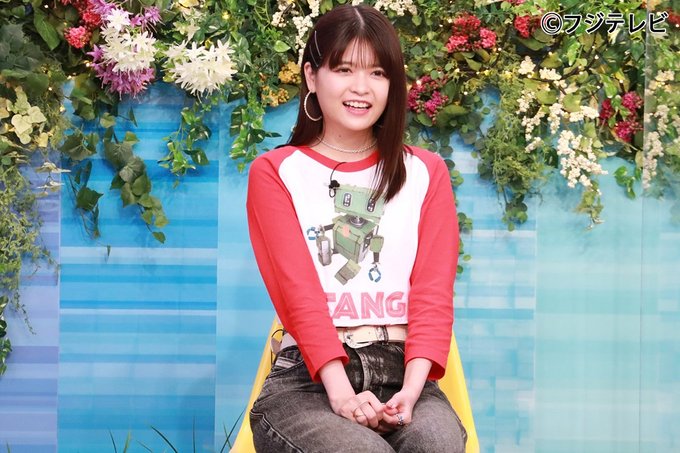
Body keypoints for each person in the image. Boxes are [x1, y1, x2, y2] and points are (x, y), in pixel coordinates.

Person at [246, 4, 465, 452]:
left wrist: (411, 391)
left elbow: (432, 294)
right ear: (312, 76)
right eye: (344, 69)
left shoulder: (425, 172)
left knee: (436, 443)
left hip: (405, 374)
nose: (361, 88)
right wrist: (341, 392)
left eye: (377, 73)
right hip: (307, 381)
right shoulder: (276, 172)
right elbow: (297, 293)